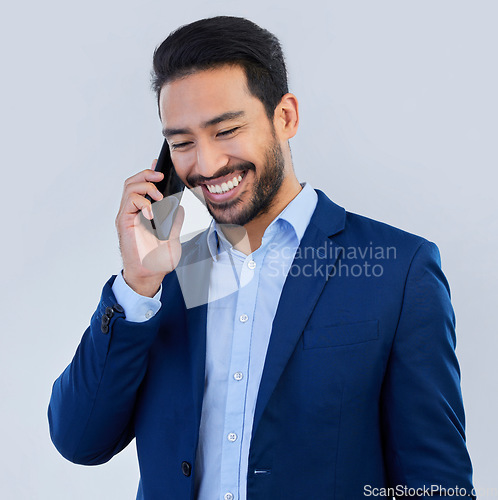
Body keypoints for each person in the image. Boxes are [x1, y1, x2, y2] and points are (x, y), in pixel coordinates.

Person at [48, 16, 475, 500]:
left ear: (286, 117)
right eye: (181, 142)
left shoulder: (400, 270)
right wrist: (138, 284)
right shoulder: (165, 275)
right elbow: (79, 441)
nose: (205, 166)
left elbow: (437, 485)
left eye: (226, 130)